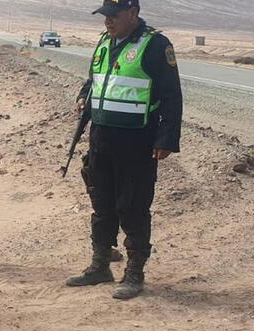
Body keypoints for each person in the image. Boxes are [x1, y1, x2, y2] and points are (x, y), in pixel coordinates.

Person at [66, 0, 183, 300]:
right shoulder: (105, 42)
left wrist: (166, 139)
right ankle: (100, 265)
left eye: (113, 15)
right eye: (105, 16)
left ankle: (134, 273)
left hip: (137, 140)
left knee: (132, 206)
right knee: (102, 203)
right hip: (102, 137)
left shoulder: (156, 45)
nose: (107, 21)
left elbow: (172, 95)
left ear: (133, 14)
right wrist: (83, 96)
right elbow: (94, 80)